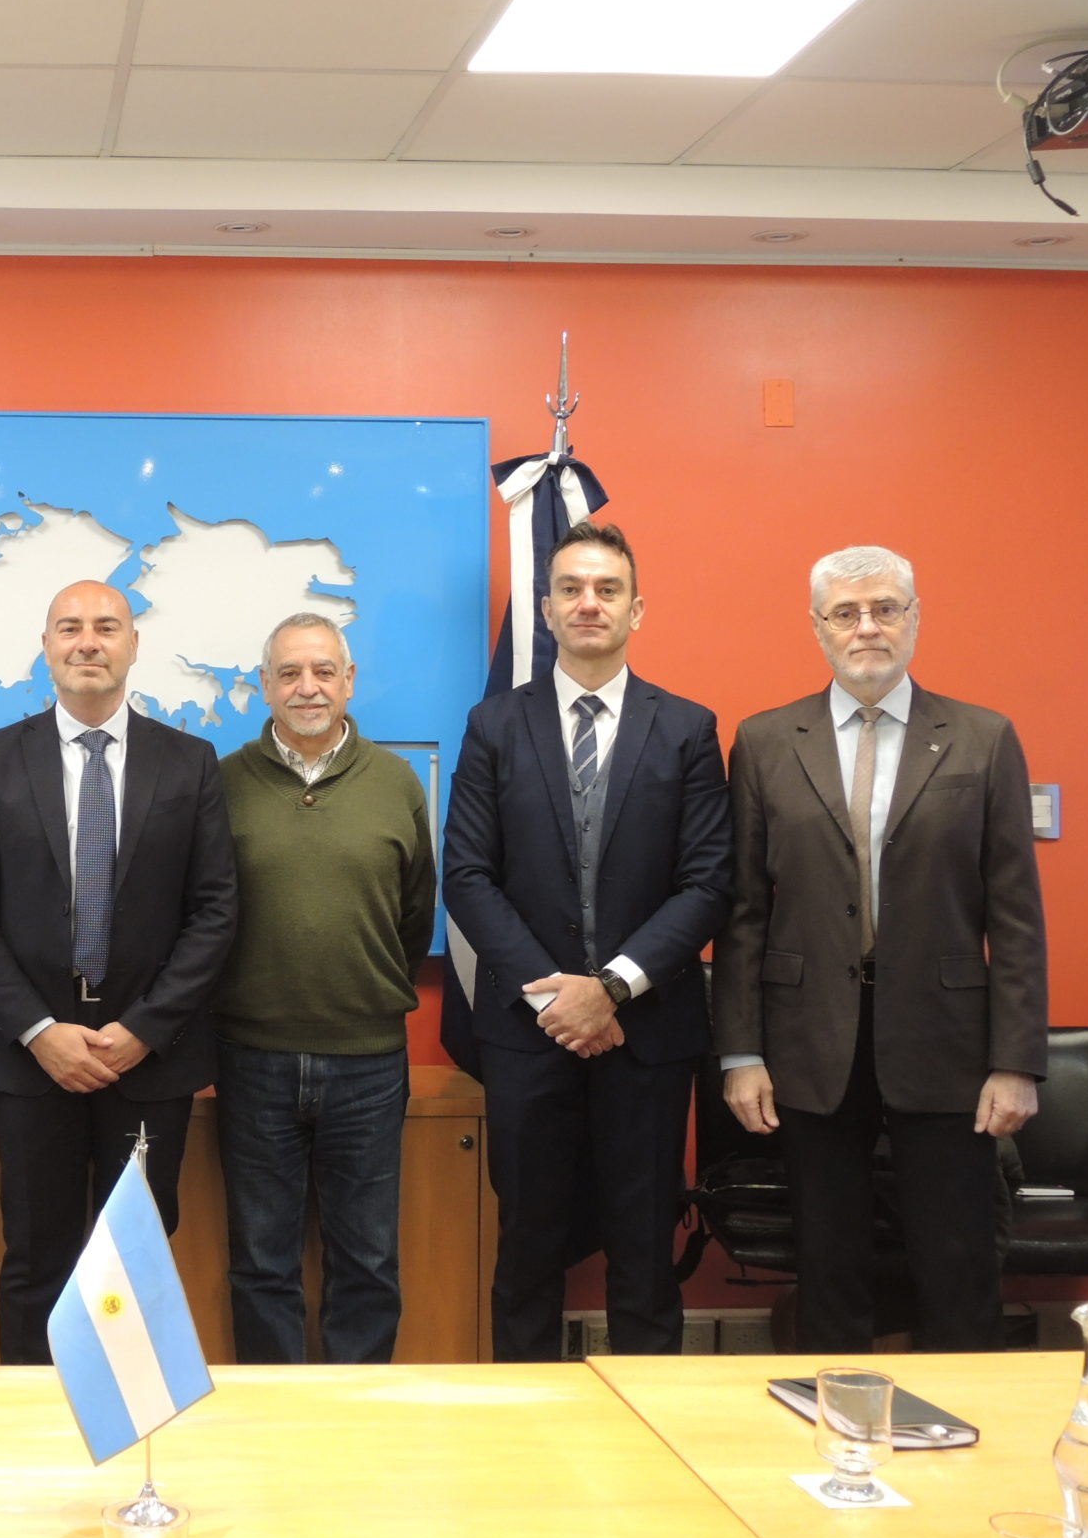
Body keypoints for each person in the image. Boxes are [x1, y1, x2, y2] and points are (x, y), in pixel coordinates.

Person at [712, 545, 1045, 1352]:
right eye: (846, 613)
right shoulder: (764, 741)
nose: (867, 627)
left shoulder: (983, 739)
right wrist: (741, 1053)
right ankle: (835, 1413)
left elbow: (1016, 915)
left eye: (885, 608)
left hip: (946, 1041)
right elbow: (744, 912)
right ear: (818, 627)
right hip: (808, 1040)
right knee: (828, 1265)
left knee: (958, 1265)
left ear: (914, 619)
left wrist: (1016, 1062)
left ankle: (969, 1416)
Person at [443, 522, 731, 1362]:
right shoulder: (495, 724)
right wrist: (556, 995)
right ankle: (526, 1424)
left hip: (648, 1035)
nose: (589, 603)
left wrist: (609, 990)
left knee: (645, 1250)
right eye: (570, 588)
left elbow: (708, 883)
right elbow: (467, 875)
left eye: (607, 589)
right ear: (546, 610)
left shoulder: (687, 729)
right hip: (527, 1035)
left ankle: (649, 1422)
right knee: (526, 1249)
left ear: (637, 610)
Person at [0, 580, 238, 1364]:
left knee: (135, 1264)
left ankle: (133, 1424)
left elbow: (215, 912)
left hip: (149, 1059)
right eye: (69, 627)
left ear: (133, 645)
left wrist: (144, 1029)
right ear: (46, 647)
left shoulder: (190, 762)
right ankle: (34, 1424)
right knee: (34, 1260)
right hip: (29, 1057)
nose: (88, 642)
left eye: (107, 627)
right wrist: (39, 1032)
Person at [212, 611, 436, 1363]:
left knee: (367, 1262)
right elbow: (202, 913)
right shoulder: (224, 782)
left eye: (322, 672)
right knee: (260, 1262)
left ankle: (356, 1417)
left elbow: (415, 911)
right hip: (252, 1059)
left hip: (369, 1062)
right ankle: (277, 1417)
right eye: (289, 674)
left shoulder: (397, 782)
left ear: (349, 681)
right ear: (264, 686)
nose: (307, 687)